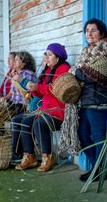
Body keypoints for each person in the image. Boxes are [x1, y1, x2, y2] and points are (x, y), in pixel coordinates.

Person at [67, 18, 107, 182]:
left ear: (101, 32)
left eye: (93, 30)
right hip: (85, 99)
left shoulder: (106, 48)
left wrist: (76, 72)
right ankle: (97, 167)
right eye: (87, 30)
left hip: (98, 99)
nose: (89, 33)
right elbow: (79, 70)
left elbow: (97, 74)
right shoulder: (87, 51)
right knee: (82, 134)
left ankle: (99, 169)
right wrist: (77, 71)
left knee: (97, 136)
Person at [11, 43, 70, 172]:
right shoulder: (47, 70)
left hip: (58, 111)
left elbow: (55, 89)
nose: (46, 58)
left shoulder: (63, 69)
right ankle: (29, 156)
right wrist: (33, 88)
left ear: (58, 57)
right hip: (45, 109)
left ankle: (47, 157)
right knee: (25, 121)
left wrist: (37, 87)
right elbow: (40, 92)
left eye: (50, 55)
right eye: (46, 54)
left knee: (39, 123)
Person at [8, 51, 36, 115]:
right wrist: (5, 99)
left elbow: (28, 95)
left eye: (17, 60)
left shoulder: (28, 74)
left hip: (23, 106)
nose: (14, 62)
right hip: (14, 103)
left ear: (24, 63)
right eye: (14, 60)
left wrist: (17, 82)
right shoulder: (16, 74)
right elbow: (12, 92)